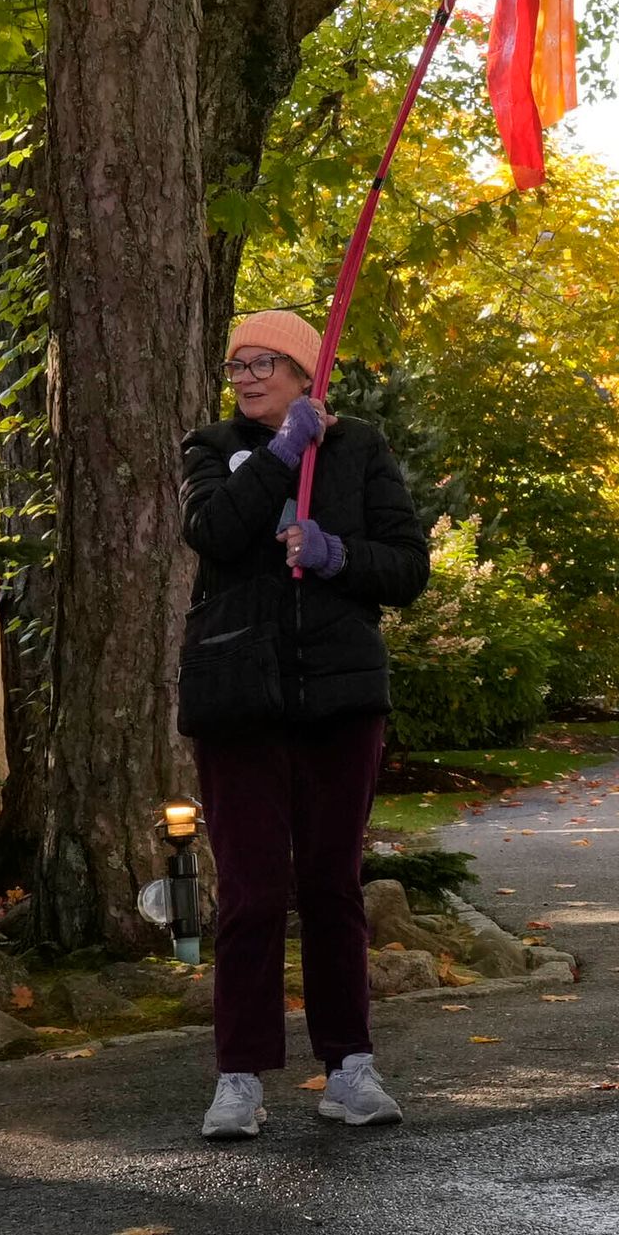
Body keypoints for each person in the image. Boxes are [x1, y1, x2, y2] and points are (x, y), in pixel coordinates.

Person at [177, 309, 431, 1141]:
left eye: (263, 361)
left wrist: (335, 555)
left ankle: (349, 1066)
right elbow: (212, 531)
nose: (244, 375)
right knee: (250, 893)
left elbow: (406, 568)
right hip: (238, 699)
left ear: (302, 370)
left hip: (339, 701)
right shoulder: (211, 449)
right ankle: (239, 1076)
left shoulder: (357, 449)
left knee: (331, 886)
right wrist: (281, 455)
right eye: (236, 363)